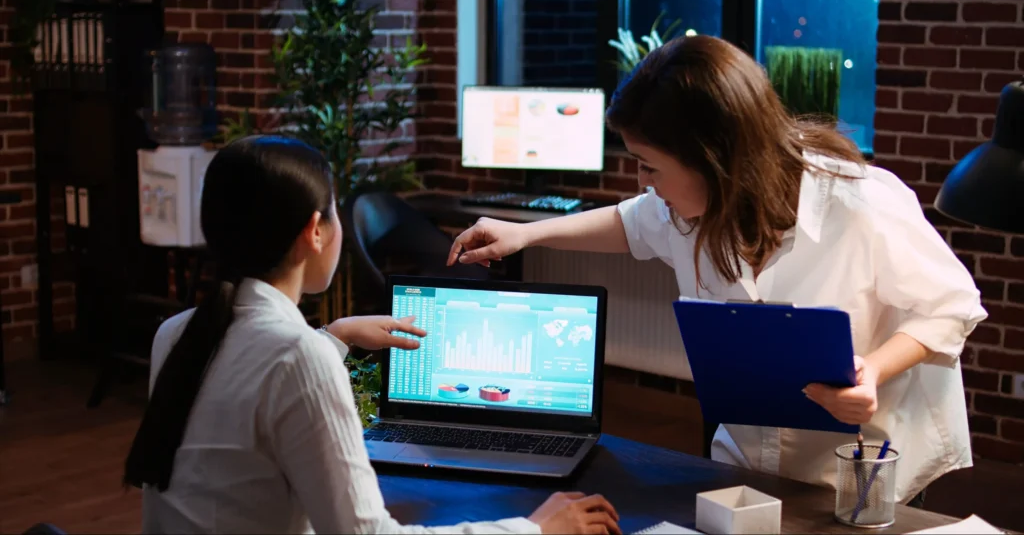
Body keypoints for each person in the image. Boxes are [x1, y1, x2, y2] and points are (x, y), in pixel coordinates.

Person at [447, 35, 987, 506]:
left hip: (863, 466)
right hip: (746, 462)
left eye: (650, 166)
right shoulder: (689, 209)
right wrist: (526, 233)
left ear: (715, 159)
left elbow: (950, 306)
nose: (643, 182)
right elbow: (629, 223)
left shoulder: (860, 203)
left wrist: (874, 369)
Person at [124, 135, 620, 534]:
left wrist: (335, 335)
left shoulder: (177, 333)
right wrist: (533, 530)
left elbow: (253, 378)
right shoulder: (297, 359)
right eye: (337, 212)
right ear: (315, 231)